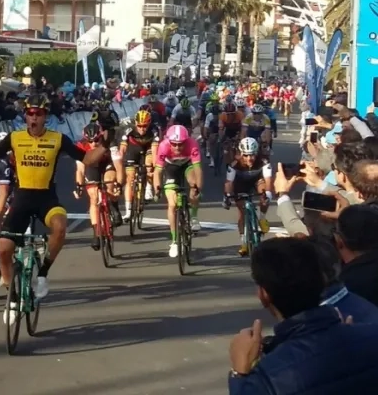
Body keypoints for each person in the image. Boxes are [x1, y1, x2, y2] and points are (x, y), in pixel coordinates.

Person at [0, 94, 106, 312]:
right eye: (30, 113)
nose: (33, 117)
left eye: (38, 113)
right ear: (25, 115)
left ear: (45, 117)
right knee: (4, 250)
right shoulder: (15, 138)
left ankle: (43, 272)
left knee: (60, 228)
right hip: (22, 199)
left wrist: (106, 142)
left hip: (46, 199)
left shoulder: (58, 139)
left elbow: (88, 159)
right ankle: (12, 297)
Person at [228, 237, 378, 394]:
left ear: (263, 295)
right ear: (322, 279)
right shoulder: (371, 335)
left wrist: (240, 373)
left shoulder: (265, 379)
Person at [153, 125, 203, 258]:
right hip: (171, 168)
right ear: (169, 142)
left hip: (187, 165)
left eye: (180, 144)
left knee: (193, 184)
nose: (177, 147)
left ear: (186, 141)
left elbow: (198, 169)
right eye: (174, 144)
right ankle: (174, 241)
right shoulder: (163, 146)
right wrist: (157, 188)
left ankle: (193, 217)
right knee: (172, 204)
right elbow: (157, 171)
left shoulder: (192, 144)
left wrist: (198, 187)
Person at [75, 122, 123, 250]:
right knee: (93, 197)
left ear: (101, 137)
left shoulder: (110, 143)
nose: (93, 144)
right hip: (92, 167)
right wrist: (79, 186)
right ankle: (96, 233)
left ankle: (114, 206)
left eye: (96, 140)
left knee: (109, 182)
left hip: (107, 164)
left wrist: (119, 183)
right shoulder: (80, 146)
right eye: (89, 141)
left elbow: (118, 166)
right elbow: (80, 170)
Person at [223, 138, 273, 257]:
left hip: (257, 180)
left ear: (256, 153)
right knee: (242, 211)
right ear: (241, 153)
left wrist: (267, 194)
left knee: (264, 196)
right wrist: (227, 196)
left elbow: (268, 181)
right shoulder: (234, 164)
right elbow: (229, 182)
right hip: (240, 184)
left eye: (252, 155)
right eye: (245, 155)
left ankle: (262, 218)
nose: (249, 159)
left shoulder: (264, 161)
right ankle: (244, 242)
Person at [120, 109, 160, 219]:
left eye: (145, 126)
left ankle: (148, 188)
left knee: (149, 163)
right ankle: (128, 211)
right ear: (136, 123)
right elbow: (122, 148)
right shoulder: (128, 128)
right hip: (133, 149)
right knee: (130, 179)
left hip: (148, 148)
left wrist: (155, 167)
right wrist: (119, 165)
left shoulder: (154, 130)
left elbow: (155, 151)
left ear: (149, 124)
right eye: (140, 126)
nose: (142, 128)